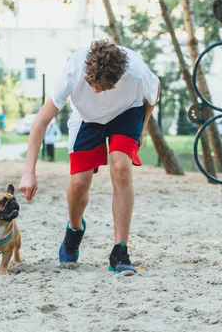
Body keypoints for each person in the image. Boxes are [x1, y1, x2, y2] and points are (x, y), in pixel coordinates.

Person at [18, 40, 161, 276]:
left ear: (119, 77)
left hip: (127, 113)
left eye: (102, 87)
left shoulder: (135, 70)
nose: (95, 91)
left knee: (121, 168)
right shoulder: (73, 69)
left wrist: (142, 127)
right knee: (79, 183)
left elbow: (154, 90)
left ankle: (120, 251)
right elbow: (42, 120)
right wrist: (28, 172)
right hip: (86, 119)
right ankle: (74, 230)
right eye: (92, 84)